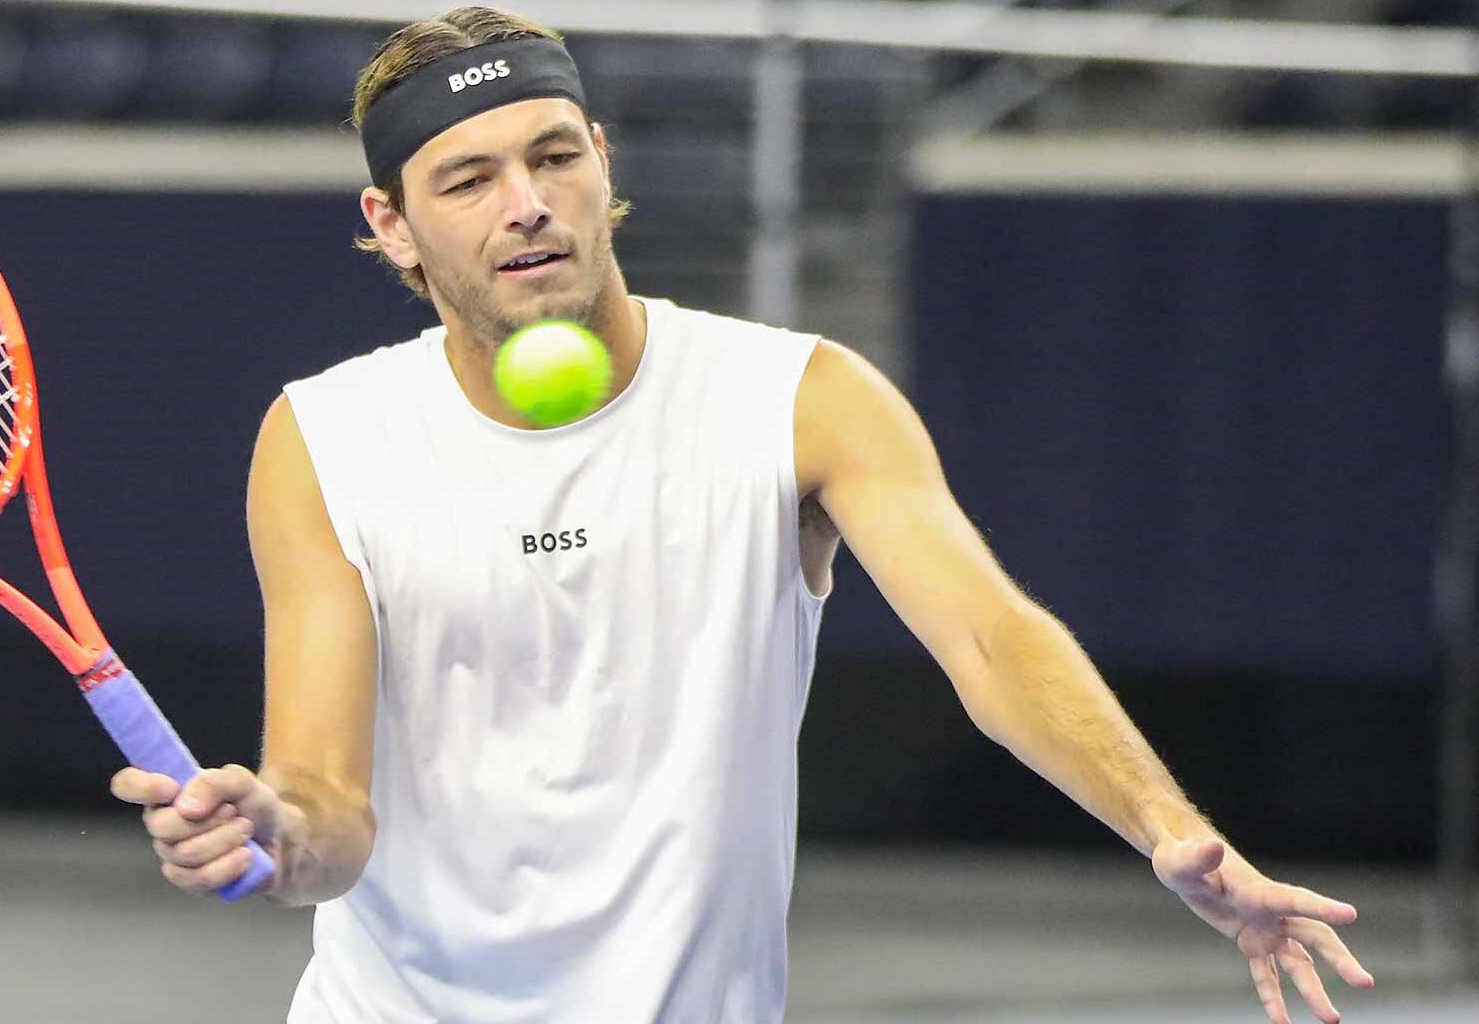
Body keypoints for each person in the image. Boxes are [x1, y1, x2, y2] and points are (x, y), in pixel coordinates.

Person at [108, 7, 1374, 1023]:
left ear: (603, 158)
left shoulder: (804, 398)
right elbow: (329, 806)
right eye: (469, 179)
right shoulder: (322, 436)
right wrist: (274, 831)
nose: (526, 202)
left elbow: (993, 640)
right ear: (392, 226)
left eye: (554, 155)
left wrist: (1169, 827)